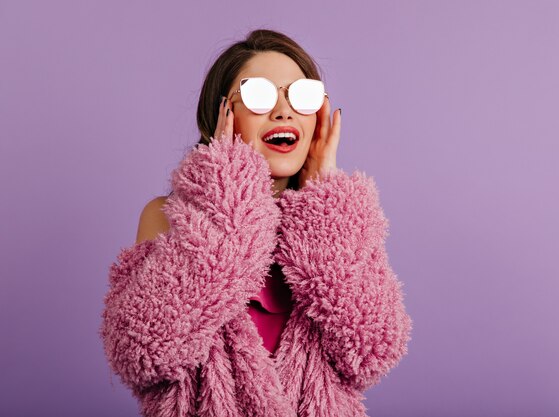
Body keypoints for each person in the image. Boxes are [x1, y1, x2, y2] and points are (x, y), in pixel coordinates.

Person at [100, 28, 412, 417]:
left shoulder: (340, 224)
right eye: (259, 95)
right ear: (221, 115)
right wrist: (228, 202)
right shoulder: (168, 217)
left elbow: (372, 350)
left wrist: (325, 203)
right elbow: (142, 351)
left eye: (301, 96)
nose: (283, 111)